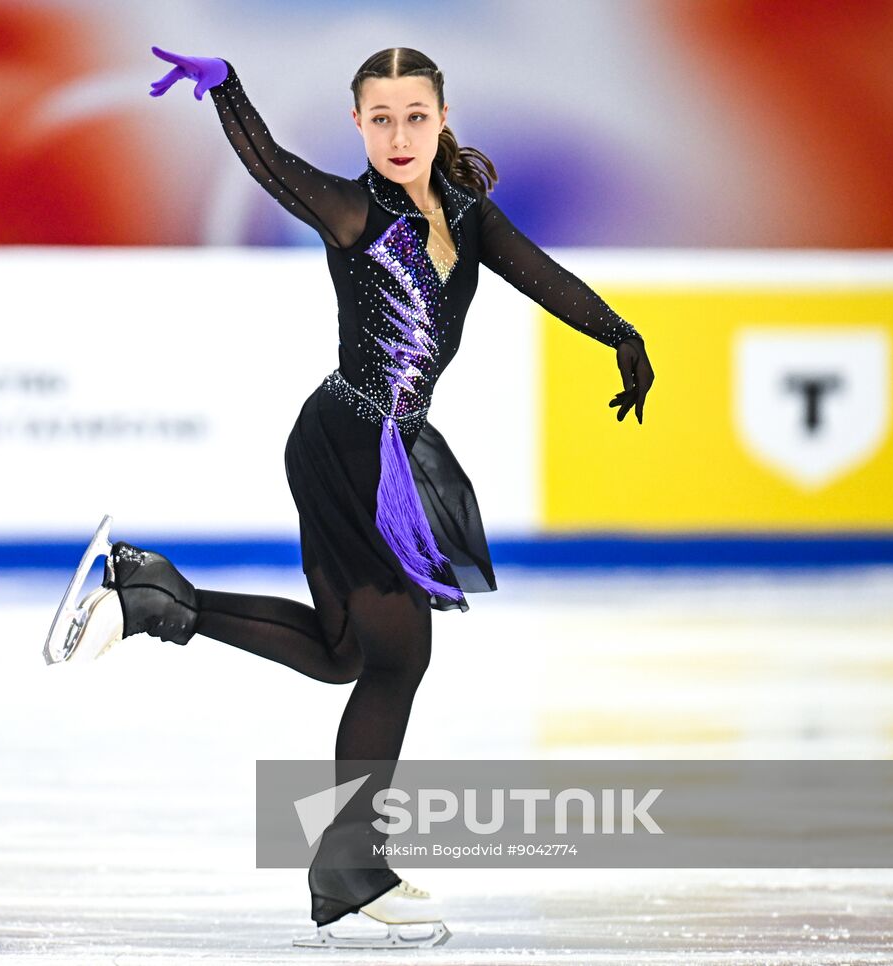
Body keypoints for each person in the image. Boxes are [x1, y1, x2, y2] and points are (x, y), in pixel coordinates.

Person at [44, 45, 655, 949]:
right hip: (347, 446)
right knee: (399, 657)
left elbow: (542, 275)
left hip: (386, 450)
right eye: (381, 119)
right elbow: (273, 168)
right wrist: (229, 90)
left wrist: (621, 333)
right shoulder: (355, 212)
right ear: (360, 126)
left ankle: (155, 600)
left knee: (344, 653)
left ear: (442, 117)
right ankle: (348, 861)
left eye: (415, 115)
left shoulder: (470, 217)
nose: (399, 134)